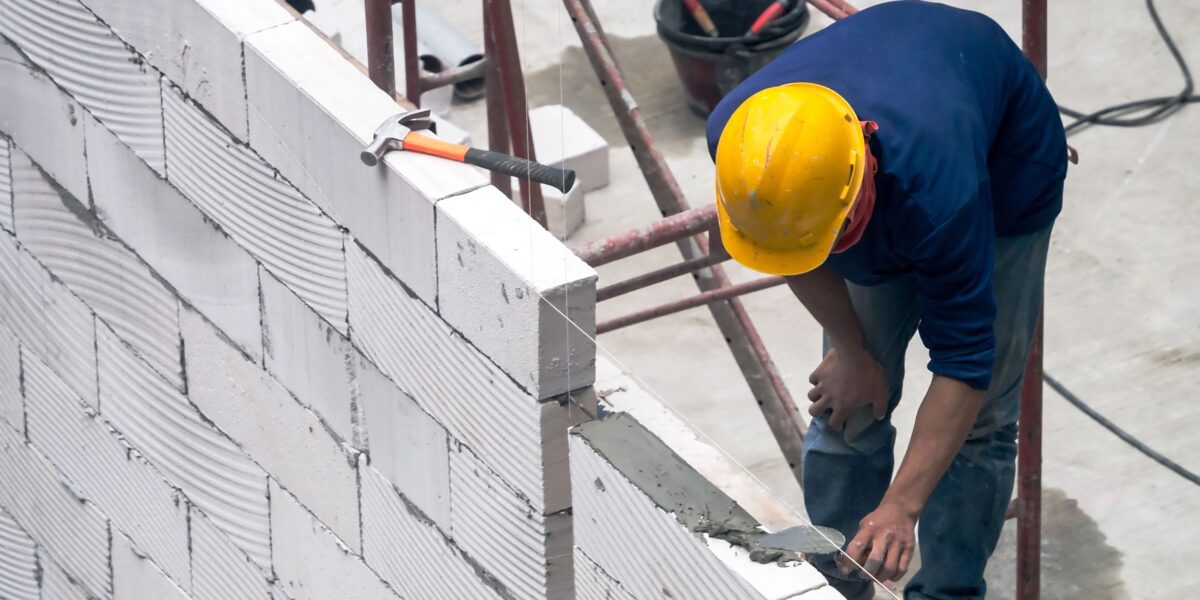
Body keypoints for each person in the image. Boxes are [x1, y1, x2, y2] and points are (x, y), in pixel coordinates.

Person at [705, 2, 1068, 598]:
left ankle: (947, 591)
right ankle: (835, 582)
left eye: (839, 233)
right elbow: (788, 251)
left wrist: (902, 504)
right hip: (910, 130)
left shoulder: (939, 196)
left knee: (980, 426)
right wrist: (851, 350)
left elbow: (964, 362)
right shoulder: (742, 139)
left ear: (860, 179)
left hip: (1004, 174)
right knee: (848, 405)